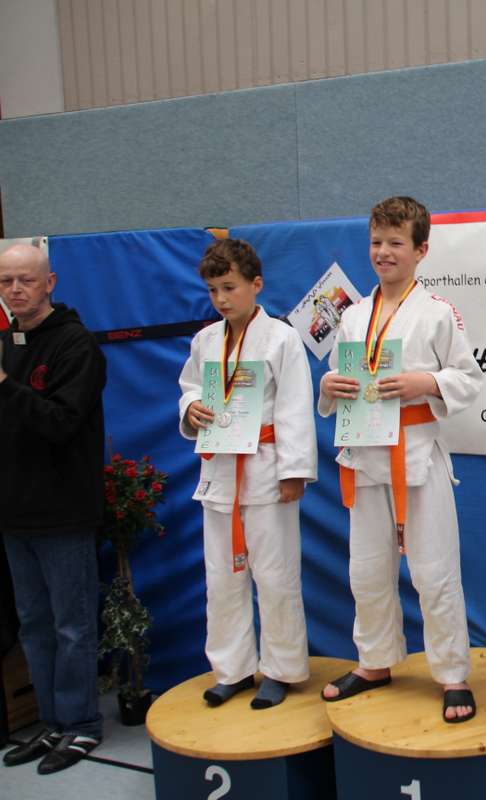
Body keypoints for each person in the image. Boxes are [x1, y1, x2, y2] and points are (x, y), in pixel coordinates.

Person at [318, 196, 482, 723]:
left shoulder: (438, 313)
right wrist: (329, 385)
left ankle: (452, 673)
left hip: (418, 457)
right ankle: (374, 661)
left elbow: (468, 378)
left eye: (395, 243)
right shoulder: (352, 316)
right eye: (376, 242)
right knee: (366, 571)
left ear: (421, 250)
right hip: (364, 454)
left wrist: (425, 382)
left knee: (434, 572)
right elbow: (338, 381)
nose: (383, 252)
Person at [178, 238, 317, 709]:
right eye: (213, 290)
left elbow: (296, 406)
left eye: (230, 287)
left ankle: (280, 669)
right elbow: (189, 386)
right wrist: (191, 406)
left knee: (275, 576)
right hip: (220, 469)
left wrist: (294, 470)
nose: (221, 298)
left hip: (266, 469)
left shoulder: (281, 338)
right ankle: (232, 669)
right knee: (221, 578)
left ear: (256, 284)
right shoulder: (205, 341)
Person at [0, 243, 106, 774]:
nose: (16, 290)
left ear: (50, 282)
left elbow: (60, 422)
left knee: (72, 626)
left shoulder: (76, 345)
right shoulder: (5, 343)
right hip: (14, 514)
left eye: (26, 279)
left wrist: (5, 387)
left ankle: (81, 724)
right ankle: (51, 722)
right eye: (6, 281)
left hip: (63, 512)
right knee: (33, 626)